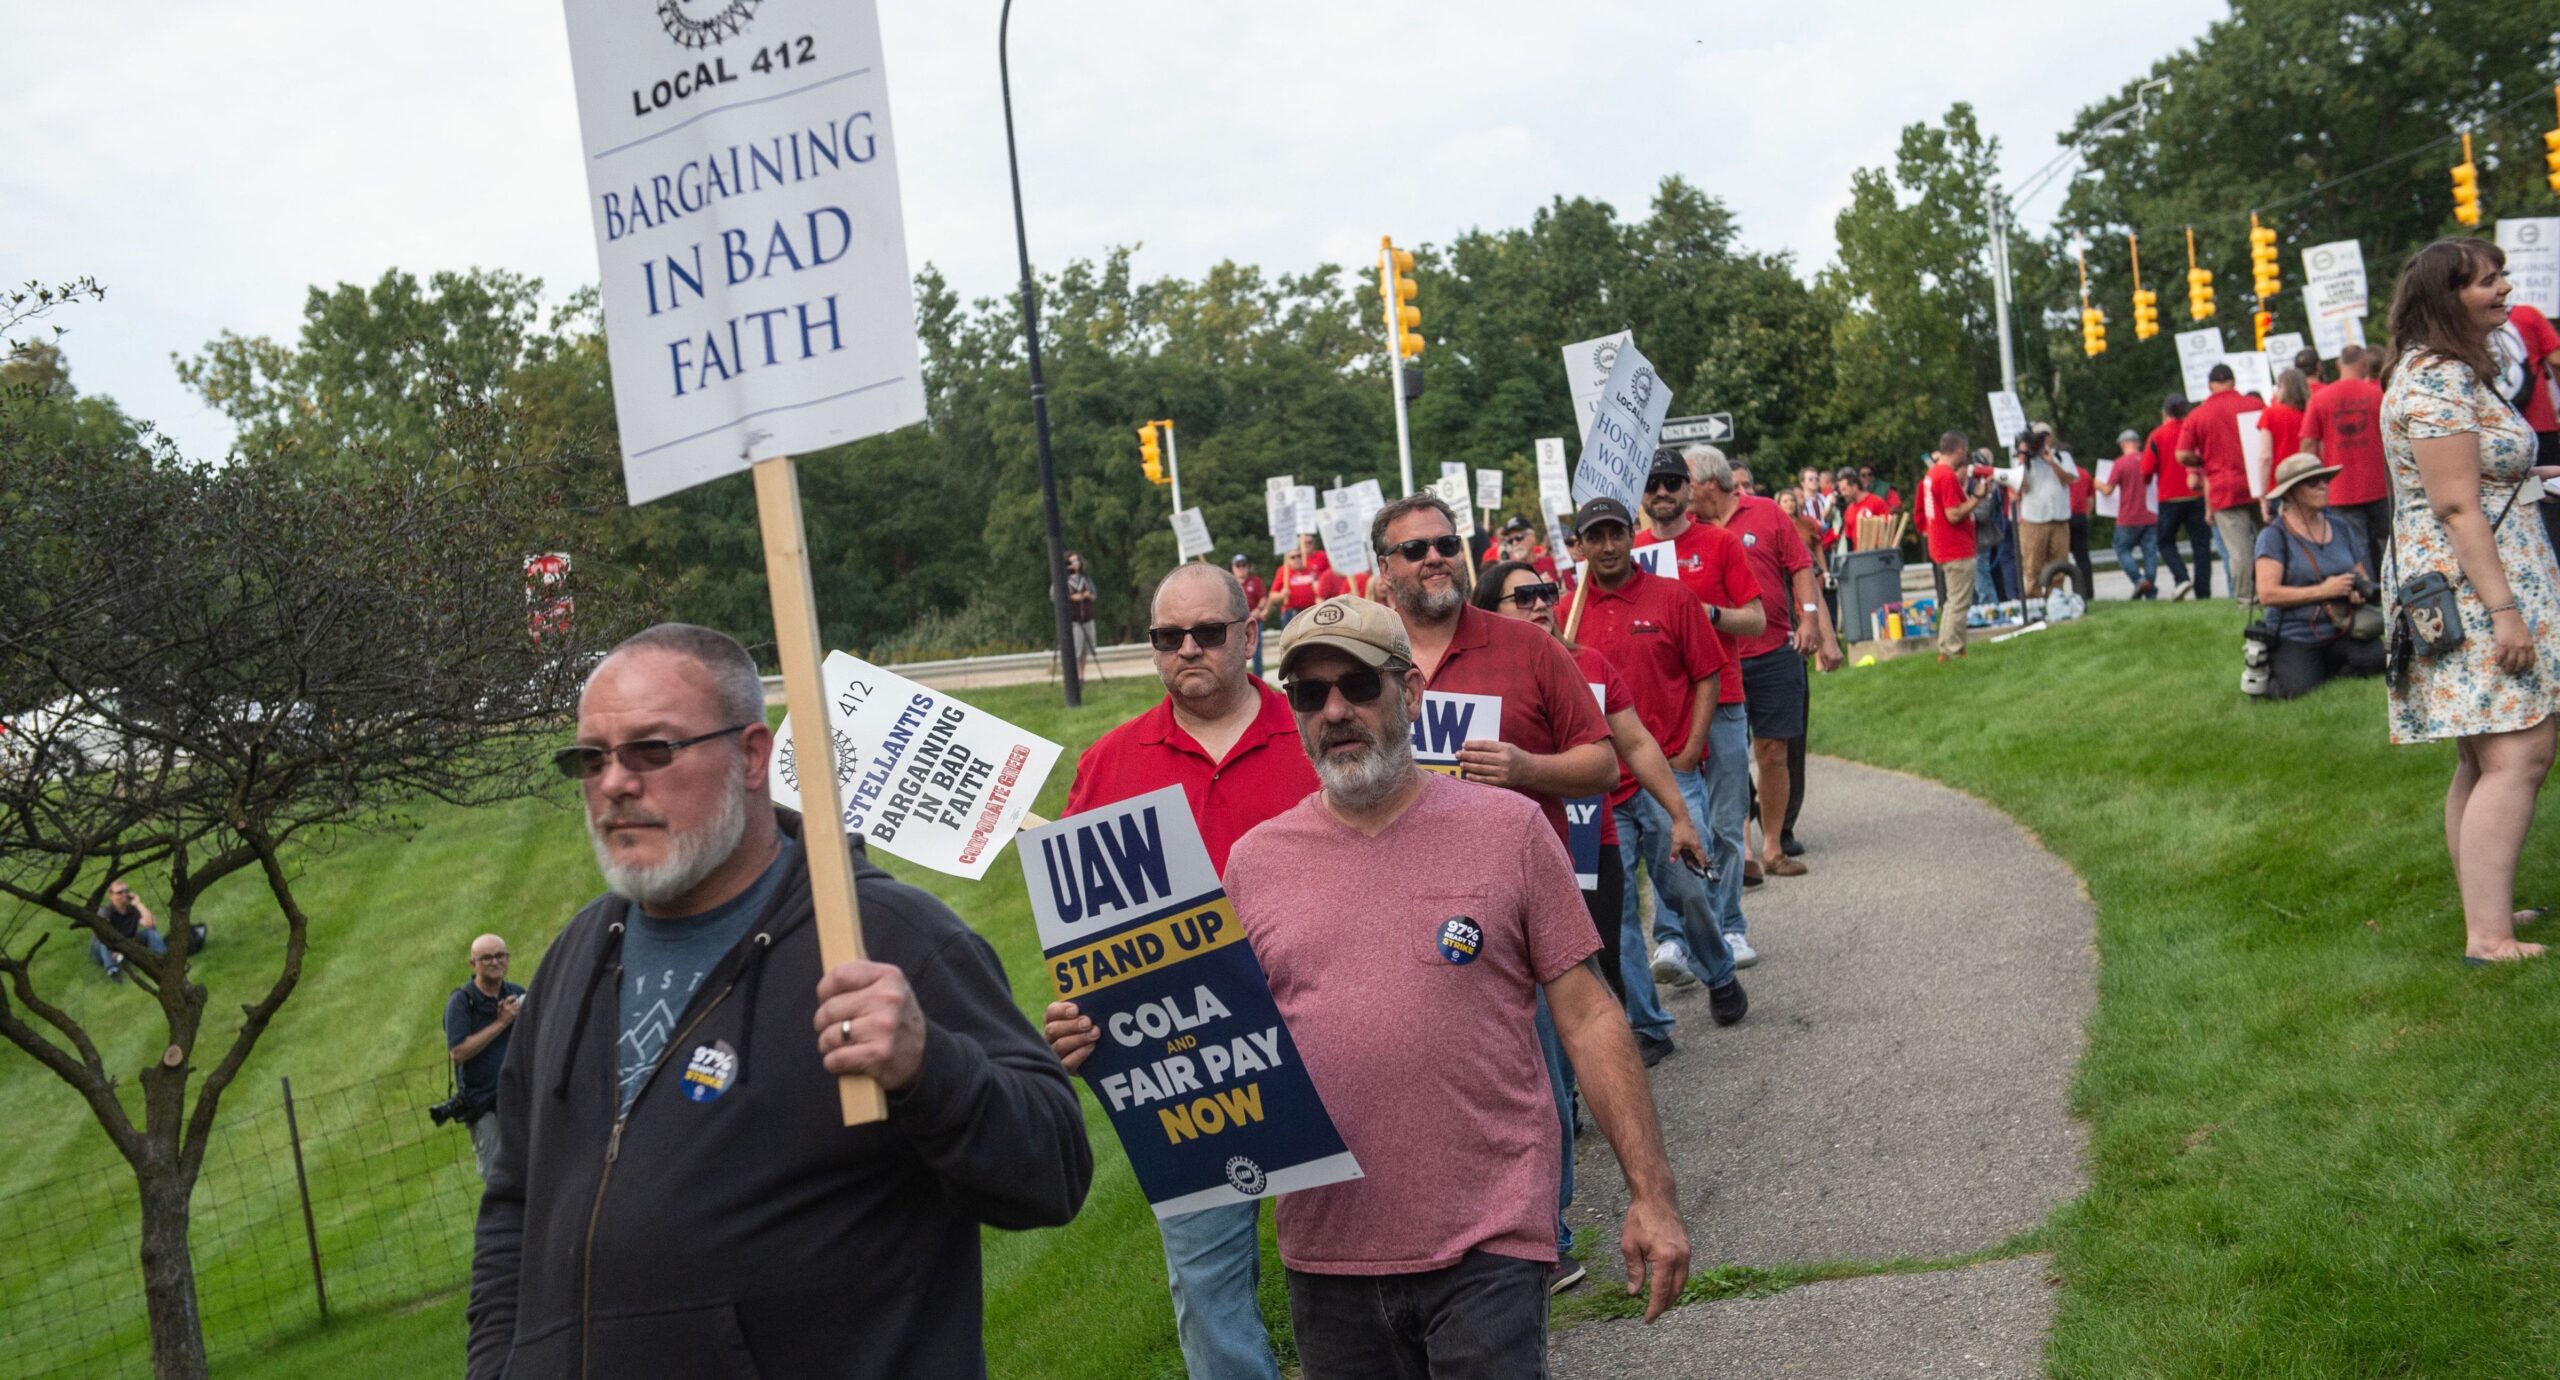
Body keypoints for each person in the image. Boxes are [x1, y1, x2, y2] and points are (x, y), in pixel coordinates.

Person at [1050, 596, 1693, 1374]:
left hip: (1489, 1236)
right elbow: (1209, 1035)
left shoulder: (1509, 831)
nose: (1335, 711)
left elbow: (1589, 1018)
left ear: (1410, 693)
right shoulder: (1256, 862)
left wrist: (1650, 1194)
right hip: (1327, 1254)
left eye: (1357, 684)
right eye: (1310, 694)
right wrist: (1109, 1039)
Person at [468, 624, 1091, 1380]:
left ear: (753, 756)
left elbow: (1054, 1168)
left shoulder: (883, 939)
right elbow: (515, 1203)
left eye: (652, 751)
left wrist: (933, 1070)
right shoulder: (576, 956)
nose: (614, 783)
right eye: (590, 759)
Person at [1064, 562, 1318, 1380]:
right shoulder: (1109, 763)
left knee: (1355, 1262)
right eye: (1168, 637)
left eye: (1208, 632)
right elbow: (1087, 933)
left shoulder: (1319, 730)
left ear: (1250, 634)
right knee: (1206, 1284)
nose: (1188, 650)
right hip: (1188, 1070)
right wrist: (1077, 1009)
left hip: (1327, 1034)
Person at [2379, 238, 2560, 965]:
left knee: (2485, 754)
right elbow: (2455, 506)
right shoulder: (2435, 383)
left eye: (2502, 277)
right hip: (2472, 588)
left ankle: (2486, 906)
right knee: (2521, 750)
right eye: (2487, 282)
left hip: (2484, 574)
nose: (2504, 289)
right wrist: (2505, 611)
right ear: (2446, 297)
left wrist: (2538, 470)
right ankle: (2487, 938)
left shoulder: (2458, 374)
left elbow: (2474, 475)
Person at [1574, 496, 1749, 1049]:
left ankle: (1718, 971)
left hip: (1668, 773)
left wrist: (1691, 747)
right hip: (1601, 788)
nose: (1607, 547)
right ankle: (1648, 1025)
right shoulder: (1565, 617)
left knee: (1689, 887)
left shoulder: (1673, 597)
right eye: (1594, 537)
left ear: (1634, 534)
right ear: (1580, 546)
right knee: (1617, 910)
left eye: (1616, 534)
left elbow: (1708, 675)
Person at [1634, 448, 1767, 969]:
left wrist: (1707, 613)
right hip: (1661, 709)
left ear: (1689, 489)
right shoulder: (1631, 550)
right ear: (1639, 494)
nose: (1662, 491)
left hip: (1725, 699)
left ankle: (1730, 926)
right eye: (1652, 483)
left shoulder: (1720, 544)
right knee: (1673, 825)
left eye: (1672, 481)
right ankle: (1674, 935)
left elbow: (1756, 622)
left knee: (1728, 824)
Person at [1692, 453, 1842, 876]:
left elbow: (1801, 568)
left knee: (1774, 752)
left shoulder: (1767, 513)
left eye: (1686, 482)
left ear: (1708, 484)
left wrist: (1810, 618)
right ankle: (1743, 853)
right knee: (1729, 758)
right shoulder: (1686, 528)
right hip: (1716, 659)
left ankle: (1774, 845)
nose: (1680, 491)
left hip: (1774, 650)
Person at [2251, 454, 2384, 700]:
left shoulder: (2341, 527)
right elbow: (2267, 594)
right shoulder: (2273, 536)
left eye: (2324, 479)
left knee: (2382, 660)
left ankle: (2325, 670)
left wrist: (2355, 592)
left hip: (2342, 629)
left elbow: (2361, 575)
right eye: (2313, 482)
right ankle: (2286, 672)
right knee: (2297, 691)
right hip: (2295, 634)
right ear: (2290, 493)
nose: (2323, 486)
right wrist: (2325, 591)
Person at [2177, 364, 2269, 604]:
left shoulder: (2198, 414)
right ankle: (2272, 590)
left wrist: (2202, 460)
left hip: (2223, 487)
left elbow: (2182, 454)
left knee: (2239, 551)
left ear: (2210, 385)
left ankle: (2246, 598)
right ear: (2233, 381)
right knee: (2268, 542)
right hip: (2259, 484)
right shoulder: (2255, 405)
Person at [2300, 345, 2391, 568]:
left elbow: (2308, 442)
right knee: (2389, 542)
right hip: (2379, 483)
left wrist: (2311, 479)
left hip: (2340, 486)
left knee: (2355, 546)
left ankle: (2368, 593)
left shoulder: (2320, 398)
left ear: (2339, 365)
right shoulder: (2377, 394)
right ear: (2363, 364)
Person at [444, 934, 525, 1181]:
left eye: (500, 956)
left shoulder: (518, 994)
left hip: (519, 1098)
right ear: (473, 964)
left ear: (508, 959)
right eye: (486, 958)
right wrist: (502, 1023)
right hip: (484, 1105)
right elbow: (458, 1053)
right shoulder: (461, 1002)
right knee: (497, 1177)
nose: (494, 962)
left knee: (530, 1169)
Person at [2490, 301, 2560, 556]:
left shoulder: (2467, 321)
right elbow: (2556, 358)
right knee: (2549, 495)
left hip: (2499, 432)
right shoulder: (2527, 314)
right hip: (2539, 423)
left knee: (2518, 493)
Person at [1921, 432, 1986, 660]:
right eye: (1965, 451)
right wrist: (1977, 498)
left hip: (1941, 545)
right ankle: (1953, 649)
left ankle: (1945, 647)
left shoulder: (1932, 473)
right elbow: (1954, 514)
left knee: (1952, 601)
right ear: (1959, 450)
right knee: (1959, 603)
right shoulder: (1946, 476)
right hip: (1955, 548)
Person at [2149, 396, 2208, 599]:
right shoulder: (2194, 430)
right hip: (2196, 494)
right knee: (2201, 545)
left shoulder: (2157, 436)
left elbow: (2146, 470)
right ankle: (2203, 592)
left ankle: (2181, 577)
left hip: (2169, 497)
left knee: (2165, 541)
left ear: (2165, 412)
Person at [2013, 425, 2080, 596]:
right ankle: (2034, 602)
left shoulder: (2062, 457)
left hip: (2059, 519)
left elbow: (2069, 480)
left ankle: (2055, 599)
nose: (2042, 441)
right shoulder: (2025, 460)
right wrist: (2023, 459)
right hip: (2034, 521)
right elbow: (2022, 488)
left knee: (2059, 564)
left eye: (2045, 436)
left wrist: (2052, 463)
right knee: (2032, 566)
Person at [2098, 429, 2160, 598]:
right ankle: (2151, 591)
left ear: (2123, 444)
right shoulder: (2149, 460)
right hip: (2151, 514)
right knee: (2150, 553)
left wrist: (2097, 484)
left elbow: (2108, 490)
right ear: (2138, 443)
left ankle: (2139, 580)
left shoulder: (2120, 463)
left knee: (2122, 549)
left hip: (2128, 516)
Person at [90, 878, 168, 980]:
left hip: (126, 943)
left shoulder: (133, 908)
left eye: (126, 891)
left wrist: (138, 904)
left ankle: (163, 959)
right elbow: (100, 933)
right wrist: (115, 947)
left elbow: (151, 923)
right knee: (103, 941)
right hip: (104, 949)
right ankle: (113, 970)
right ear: (111, 895)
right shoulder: (106, 911)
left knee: (151, 933)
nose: (124, 894)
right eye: (119, 892)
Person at [2258, 371, 2311, 489]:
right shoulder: (2310, 413)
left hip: (2280, 483)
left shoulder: (2270, 414)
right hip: (2308, 479)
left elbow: (2265, 457)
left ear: (2283, 389)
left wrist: (2262, 491)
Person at [2065, 433, 2097, 598]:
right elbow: (2090, 499)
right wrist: (2086, 514)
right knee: (2082, 558)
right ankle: (2087, 592)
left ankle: (2067, 592)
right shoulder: (2084, 473)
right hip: (2080, 516)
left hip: (2064, 518)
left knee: (2061, 557)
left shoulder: (2061, 473)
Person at [1064, 552, 1103, 681]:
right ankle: (1075, 675)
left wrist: (1088, 595)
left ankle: (1082, 674)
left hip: (1087, 616)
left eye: (1077, 561)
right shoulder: (1064, 580)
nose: (1076, 564)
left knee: (1087, 647)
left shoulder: (1085, 578)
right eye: (1072, 562)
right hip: (1074, 620)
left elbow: (1094, 594)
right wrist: (1071, 597)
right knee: (1077, 648)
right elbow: (1056, 596)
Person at [1232, 553, 1270, 678]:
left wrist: (1259, 609)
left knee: (1256, 651)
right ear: (1233, 568)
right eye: (1238, 565)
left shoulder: (1255, 581)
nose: (1241, 568)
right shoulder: (1230, 584)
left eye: (1244, 565)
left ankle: (1259, 677)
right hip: (1235, 622)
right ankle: (1239, 678)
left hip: (1253, 620)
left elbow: (1263, 597)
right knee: (1235, 652)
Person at [1836, 468, 1890, 550]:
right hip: (1859, 555)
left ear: (1854, 486)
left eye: (1845, 489)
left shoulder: (1876, 501)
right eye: (1841, 491)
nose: (1843, 494)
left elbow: (1888, 525)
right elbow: (1849, 539)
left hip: (1878, 552)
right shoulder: (1848, 511)